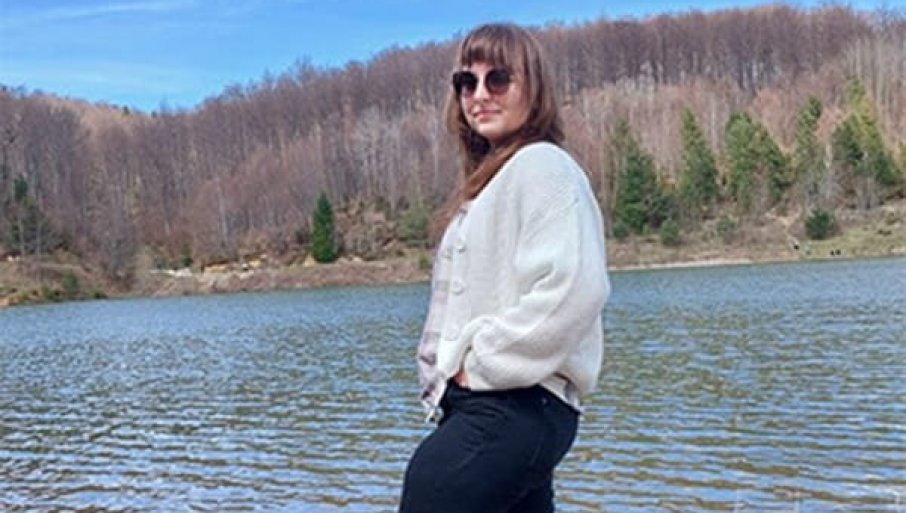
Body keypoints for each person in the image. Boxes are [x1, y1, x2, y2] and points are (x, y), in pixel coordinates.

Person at [398, 23, 611, 513]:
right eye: (466, 82)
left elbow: (575, 288)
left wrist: (480, 363)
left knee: (429, 486)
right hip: (512, 407)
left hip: (513, 403)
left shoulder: (543, 165)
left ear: (533, 88)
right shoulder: (495, 180)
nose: (479, 94)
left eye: (498, 79)